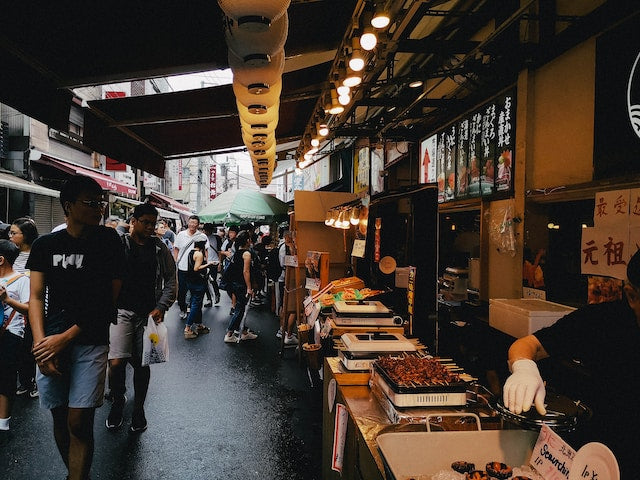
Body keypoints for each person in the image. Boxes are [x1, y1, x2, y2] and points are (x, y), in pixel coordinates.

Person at [502, 249, 640, 478]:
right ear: (632, 296)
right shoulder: (602, 321)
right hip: (598, 461)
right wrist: (524, 368)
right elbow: (528, 345)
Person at [28, 174, 125, 480]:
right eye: (91, 203)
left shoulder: (109, 241)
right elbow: (35, 296)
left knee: (79, 421)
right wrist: (42, 344)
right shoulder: (45, 245)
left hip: (89, 339)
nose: (99, 208)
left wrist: (64, 339)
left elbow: (108, 299)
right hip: (51, 340)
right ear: (68, 206)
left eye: (101, 202)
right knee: (59, 416)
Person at [106, 203, 177, 433]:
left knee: (142, 363)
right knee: (116, 363)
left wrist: (161, 306)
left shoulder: (159, 248)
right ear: (133, 221)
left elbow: (171, 279)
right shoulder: (119, 244)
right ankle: (118, 400)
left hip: (148, 315)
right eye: (145, 222)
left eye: (153, 223)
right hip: (121, 311)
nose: (149, 227)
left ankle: (139, 408)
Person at [0, 240, 30, 447]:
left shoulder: (21, 280)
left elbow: (30, 309)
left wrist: (7, 300)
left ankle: (3, 424)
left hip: (11, 334)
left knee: (6, 377)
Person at [10, 217, 40, 398]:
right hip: (12, 309)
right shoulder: (10, 254)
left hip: (32, 308)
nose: (10, 236)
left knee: (32, 346)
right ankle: (25, 381)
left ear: (26, 235)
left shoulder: (38, 253)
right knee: (19, 348)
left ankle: (34, 381)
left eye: (14, 233)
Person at [223, 231, 258, 343]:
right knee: (239, 309)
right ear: (248, 240)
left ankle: (243, 332)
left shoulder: (238, 252)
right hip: (241, 285)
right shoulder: (246, 254)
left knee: (240, 308)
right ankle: (229, 333)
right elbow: (246, 271)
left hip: (234, 283)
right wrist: (249, 287)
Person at [173, 215, 208, 319]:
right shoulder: (181, 235)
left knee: (195, 290)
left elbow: (206, 251)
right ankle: (182, 309)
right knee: (182, 290)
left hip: (195, 269)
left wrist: (206, 263)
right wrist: (176, 261)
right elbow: (176, 249)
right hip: (182, 267)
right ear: (188, 223)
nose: (192, 225)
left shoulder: (202, 236)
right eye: (191, 222)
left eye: (195, 223)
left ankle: (192, 309)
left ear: (198, 224)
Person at [183, 238, 214, 339]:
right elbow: (196, 268)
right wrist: (208, 264)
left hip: (191, 281)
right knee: (196, 304)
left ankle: (199, 324)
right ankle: (188, 327)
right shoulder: (199, 254)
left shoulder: (191, 253)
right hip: (198, 282)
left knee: (196, 303)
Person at [202, 223, 221, 307]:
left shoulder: (217, 238)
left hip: (214, 262)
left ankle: (217, 294)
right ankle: (209, 299)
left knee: (212, 280)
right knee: (205, 281)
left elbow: (220, 251)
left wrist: (220, 262)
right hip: (205, 262)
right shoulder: (202, 238)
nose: (207, 232)